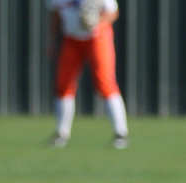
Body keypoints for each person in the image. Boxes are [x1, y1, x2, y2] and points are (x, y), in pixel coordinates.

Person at [46, 0, 129, 149]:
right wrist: (51, 40)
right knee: (63, 84)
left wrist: (97, 20)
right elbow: (55, 14)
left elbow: (113, 12)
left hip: (97, 36)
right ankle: (61, 133)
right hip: (71, 38)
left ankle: (120, 133)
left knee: (104, 82)